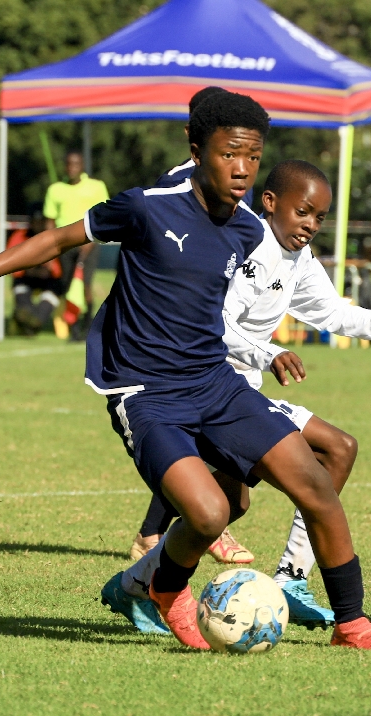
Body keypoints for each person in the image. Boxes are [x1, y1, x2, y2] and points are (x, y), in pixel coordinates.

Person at [0, 92, 371, 651]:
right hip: (144, 391)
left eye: (252, 155)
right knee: (209, 513)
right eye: (228, 154)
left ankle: (353, 624)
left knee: (316, 484)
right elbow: (55, 239)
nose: (241, 168)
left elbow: (285, 294)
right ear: (197, 153)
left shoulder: (250, 230)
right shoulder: (149, 205)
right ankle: (165, 589)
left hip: (214, 382)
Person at [105, 159, 371, 632]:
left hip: (238, 393)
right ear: (270, 204)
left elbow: (334, 315)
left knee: (237, 502)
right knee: (333, 449)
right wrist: (268, 354)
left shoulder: (299, 260)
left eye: (319, 218)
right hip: (208, 386)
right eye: (303, 212)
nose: (310, 225)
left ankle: (148, 581)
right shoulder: (248, 247)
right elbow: (212, 323)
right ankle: (173, 580)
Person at [126, 85, 255, 564]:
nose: (238, 164)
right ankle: (164, 542)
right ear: (195, 141)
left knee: (232, 481)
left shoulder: (241, 205)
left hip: (227, 353)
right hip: (186, 358)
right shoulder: (172, 192)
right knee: (205, 462)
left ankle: (167, 533)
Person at [31, 151, 108, 334]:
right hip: (65, 245)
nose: (72, 167)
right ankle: (72, 326)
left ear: (82, 165)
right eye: (69, 164)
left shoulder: (96, 187)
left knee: (85, 283)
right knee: (67, 285)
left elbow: (103, 214)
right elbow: (50, 221)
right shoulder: (55, 189)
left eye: (76, 164)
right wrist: (49, 249)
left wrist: (91, 240)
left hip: (89, 242)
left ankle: (89, 324)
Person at [8, 208, 66, 336]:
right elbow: (12, 263)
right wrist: (31, 270)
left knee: (53, 292)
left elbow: (57, 269)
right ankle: (25, 315)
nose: (38, 225)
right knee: (20, 288)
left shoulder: (54, 237)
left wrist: (46, 270)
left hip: (49, 279)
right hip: (26, 276)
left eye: (41, 222)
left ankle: (35, 320)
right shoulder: (20, 236)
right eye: (35, 221)